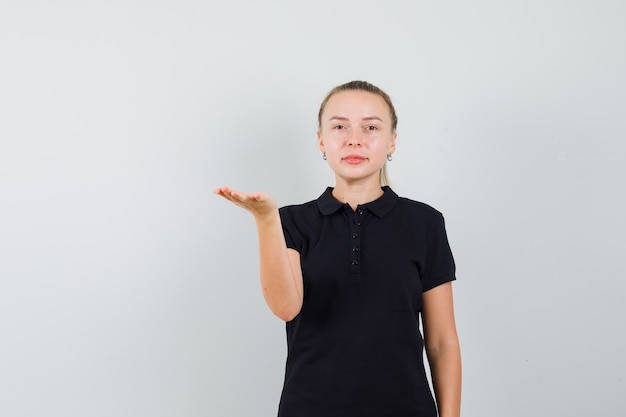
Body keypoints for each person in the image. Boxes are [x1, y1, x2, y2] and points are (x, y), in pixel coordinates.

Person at [215, 80, 461, 417]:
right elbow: (286, 307)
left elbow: (442, 342)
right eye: (339, 126)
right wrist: (266, 220)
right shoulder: (291, 222)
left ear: (392, 142)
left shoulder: (424, 223)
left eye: (371, 127)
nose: (354, 139)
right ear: (321, 141)